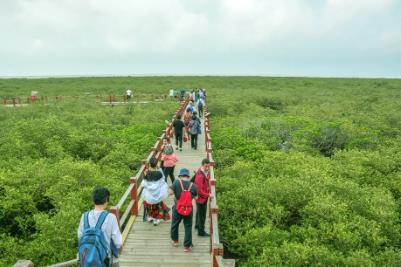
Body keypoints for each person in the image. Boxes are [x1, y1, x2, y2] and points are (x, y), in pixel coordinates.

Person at [78, 186, 122, 267]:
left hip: (86, 259)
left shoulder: (84, 216)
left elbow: (80, 237)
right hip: (105, 260)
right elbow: (118, 242)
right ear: (106, 200)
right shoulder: (111, 217)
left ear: (93, 200)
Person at [169, 168, 198, 252]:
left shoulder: (176, 182)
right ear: (188, 176)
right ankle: (187, 246)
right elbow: (196, 198)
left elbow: (169, 193)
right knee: (188, 227)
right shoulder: (193, 186)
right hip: (188, 209)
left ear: (180, 176)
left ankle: (175, 241)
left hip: (177, 208)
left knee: (175, 224)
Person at [142, 157, 170, 225]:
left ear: (149, 164)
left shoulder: (146, 172)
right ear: (156, 164)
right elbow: (163, 180)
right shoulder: (159, 173)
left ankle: (150, 216)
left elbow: (144, 182)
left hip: (149, 193)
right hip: (158, 193)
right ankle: (156, 219)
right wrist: (159, 169)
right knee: (157, 205)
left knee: (149, 204)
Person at [194, 159, 213, 237]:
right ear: (202, 165)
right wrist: (208, 195)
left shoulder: (203, 172)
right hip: (201, 197)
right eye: (206, 166)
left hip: (200, 197)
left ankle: (197, 225)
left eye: (208, 166)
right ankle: (201, 232)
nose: (207, 168)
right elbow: (199, 190)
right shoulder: (200, 176)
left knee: (199, 212)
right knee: (202, 215)